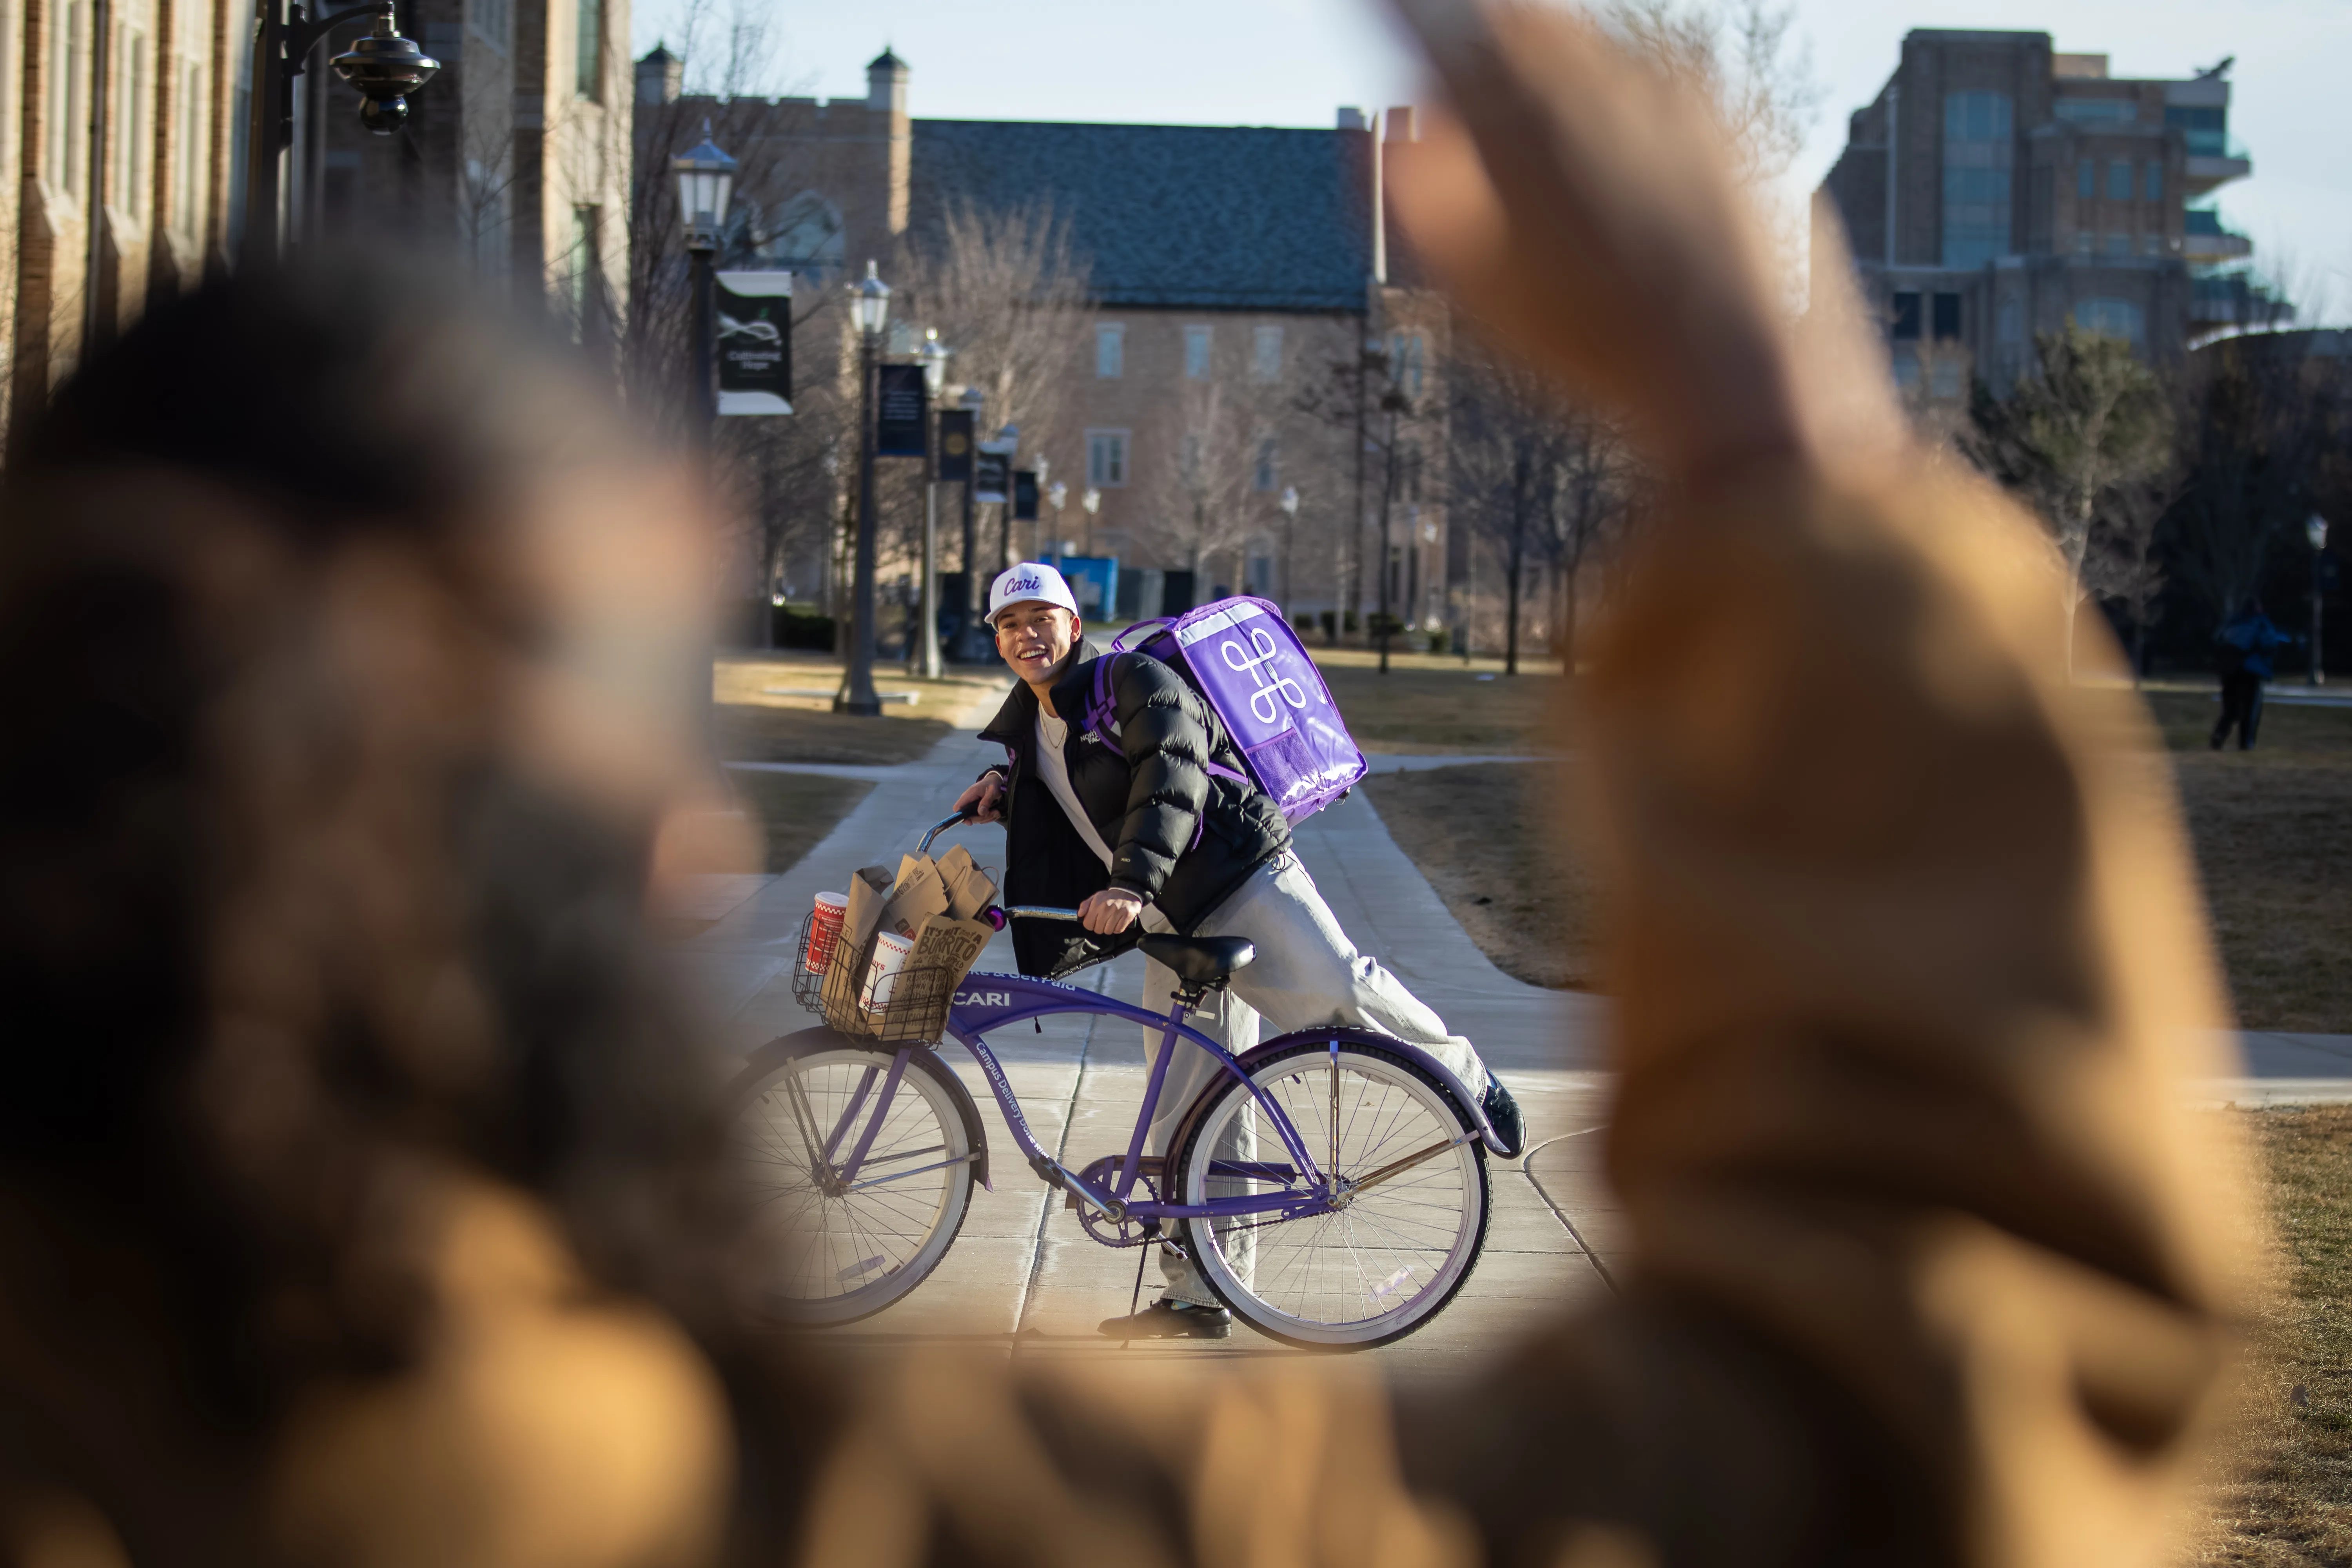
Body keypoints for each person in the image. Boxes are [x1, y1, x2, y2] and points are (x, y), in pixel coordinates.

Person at [954, 561, 1526, 1340]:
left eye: (1042, 617)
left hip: (1242, 878)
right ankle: (1202, 1294)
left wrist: (1131, 880)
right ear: (997, 639)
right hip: (1169, 925)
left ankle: (1466, 1076)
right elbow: (1075, 779)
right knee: (1191, 1111)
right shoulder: (1035, 726)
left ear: (1074, 623)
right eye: (1011, 624)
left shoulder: (1134, 678)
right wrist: (1000, 780)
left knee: (1338, 995)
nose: (1029, 635)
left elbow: (1170, 771)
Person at [2211, 598, 2296, 749]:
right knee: (2250, 709)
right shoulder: (2261, 624)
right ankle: (2246, 743)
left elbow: (2218, 639)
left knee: (2231, 708)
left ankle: (2220, 735)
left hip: (2230, 670)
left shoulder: (2232, 623)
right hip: (2251, 671)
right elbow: (2268, 644)